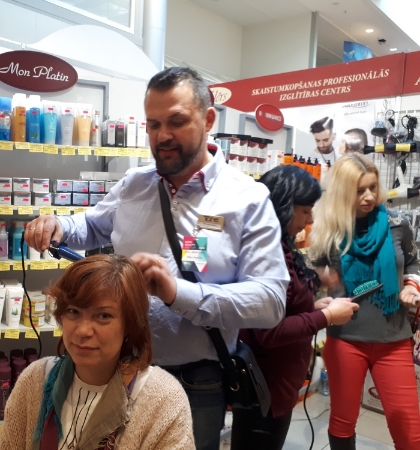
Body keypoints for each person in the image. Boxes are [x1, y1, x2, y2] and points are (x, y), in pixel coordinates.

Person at [25, 67, 289, 450]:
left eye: (176, 122)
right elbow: (93, 225)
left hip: (196, 383)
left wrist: (178, 293)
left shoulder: (246, 198)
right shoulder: (135, 184)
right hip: (119, 368)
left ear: (208, 119)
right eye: (153, 124)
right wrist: (59, 225)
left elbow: (270, 301)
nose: (162, 135)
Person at [0, 254, 195, 450]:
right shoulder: (34, 380)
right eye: (73, 311)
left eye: (103, 316)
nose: (83, 331)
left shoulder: (164, 401)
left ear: (130, 324)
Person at [230, 165, 359, 450]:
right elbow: (269, 331)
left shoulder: (280, 246)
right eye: (305, 211)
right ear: (283, 207)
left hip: (277, 383)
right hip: (265, 387)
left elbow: (281, 307)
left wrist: (312, 307)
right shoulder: (266, 253)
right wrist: (326, 317)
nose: (310, 219)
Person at [309, 153, 420, 449]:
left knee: (409, 431)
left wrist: (411, 286)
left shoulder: (397, 224)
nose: (369, 196)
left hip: (393, 339)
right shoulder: (329, 231)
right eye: (359, 191)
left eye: (372, 187)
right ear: (343, 192)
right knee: (342, 421)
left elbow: (412, 262)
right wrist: (319, 290)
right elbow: (311, 279)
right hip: (345, 339)